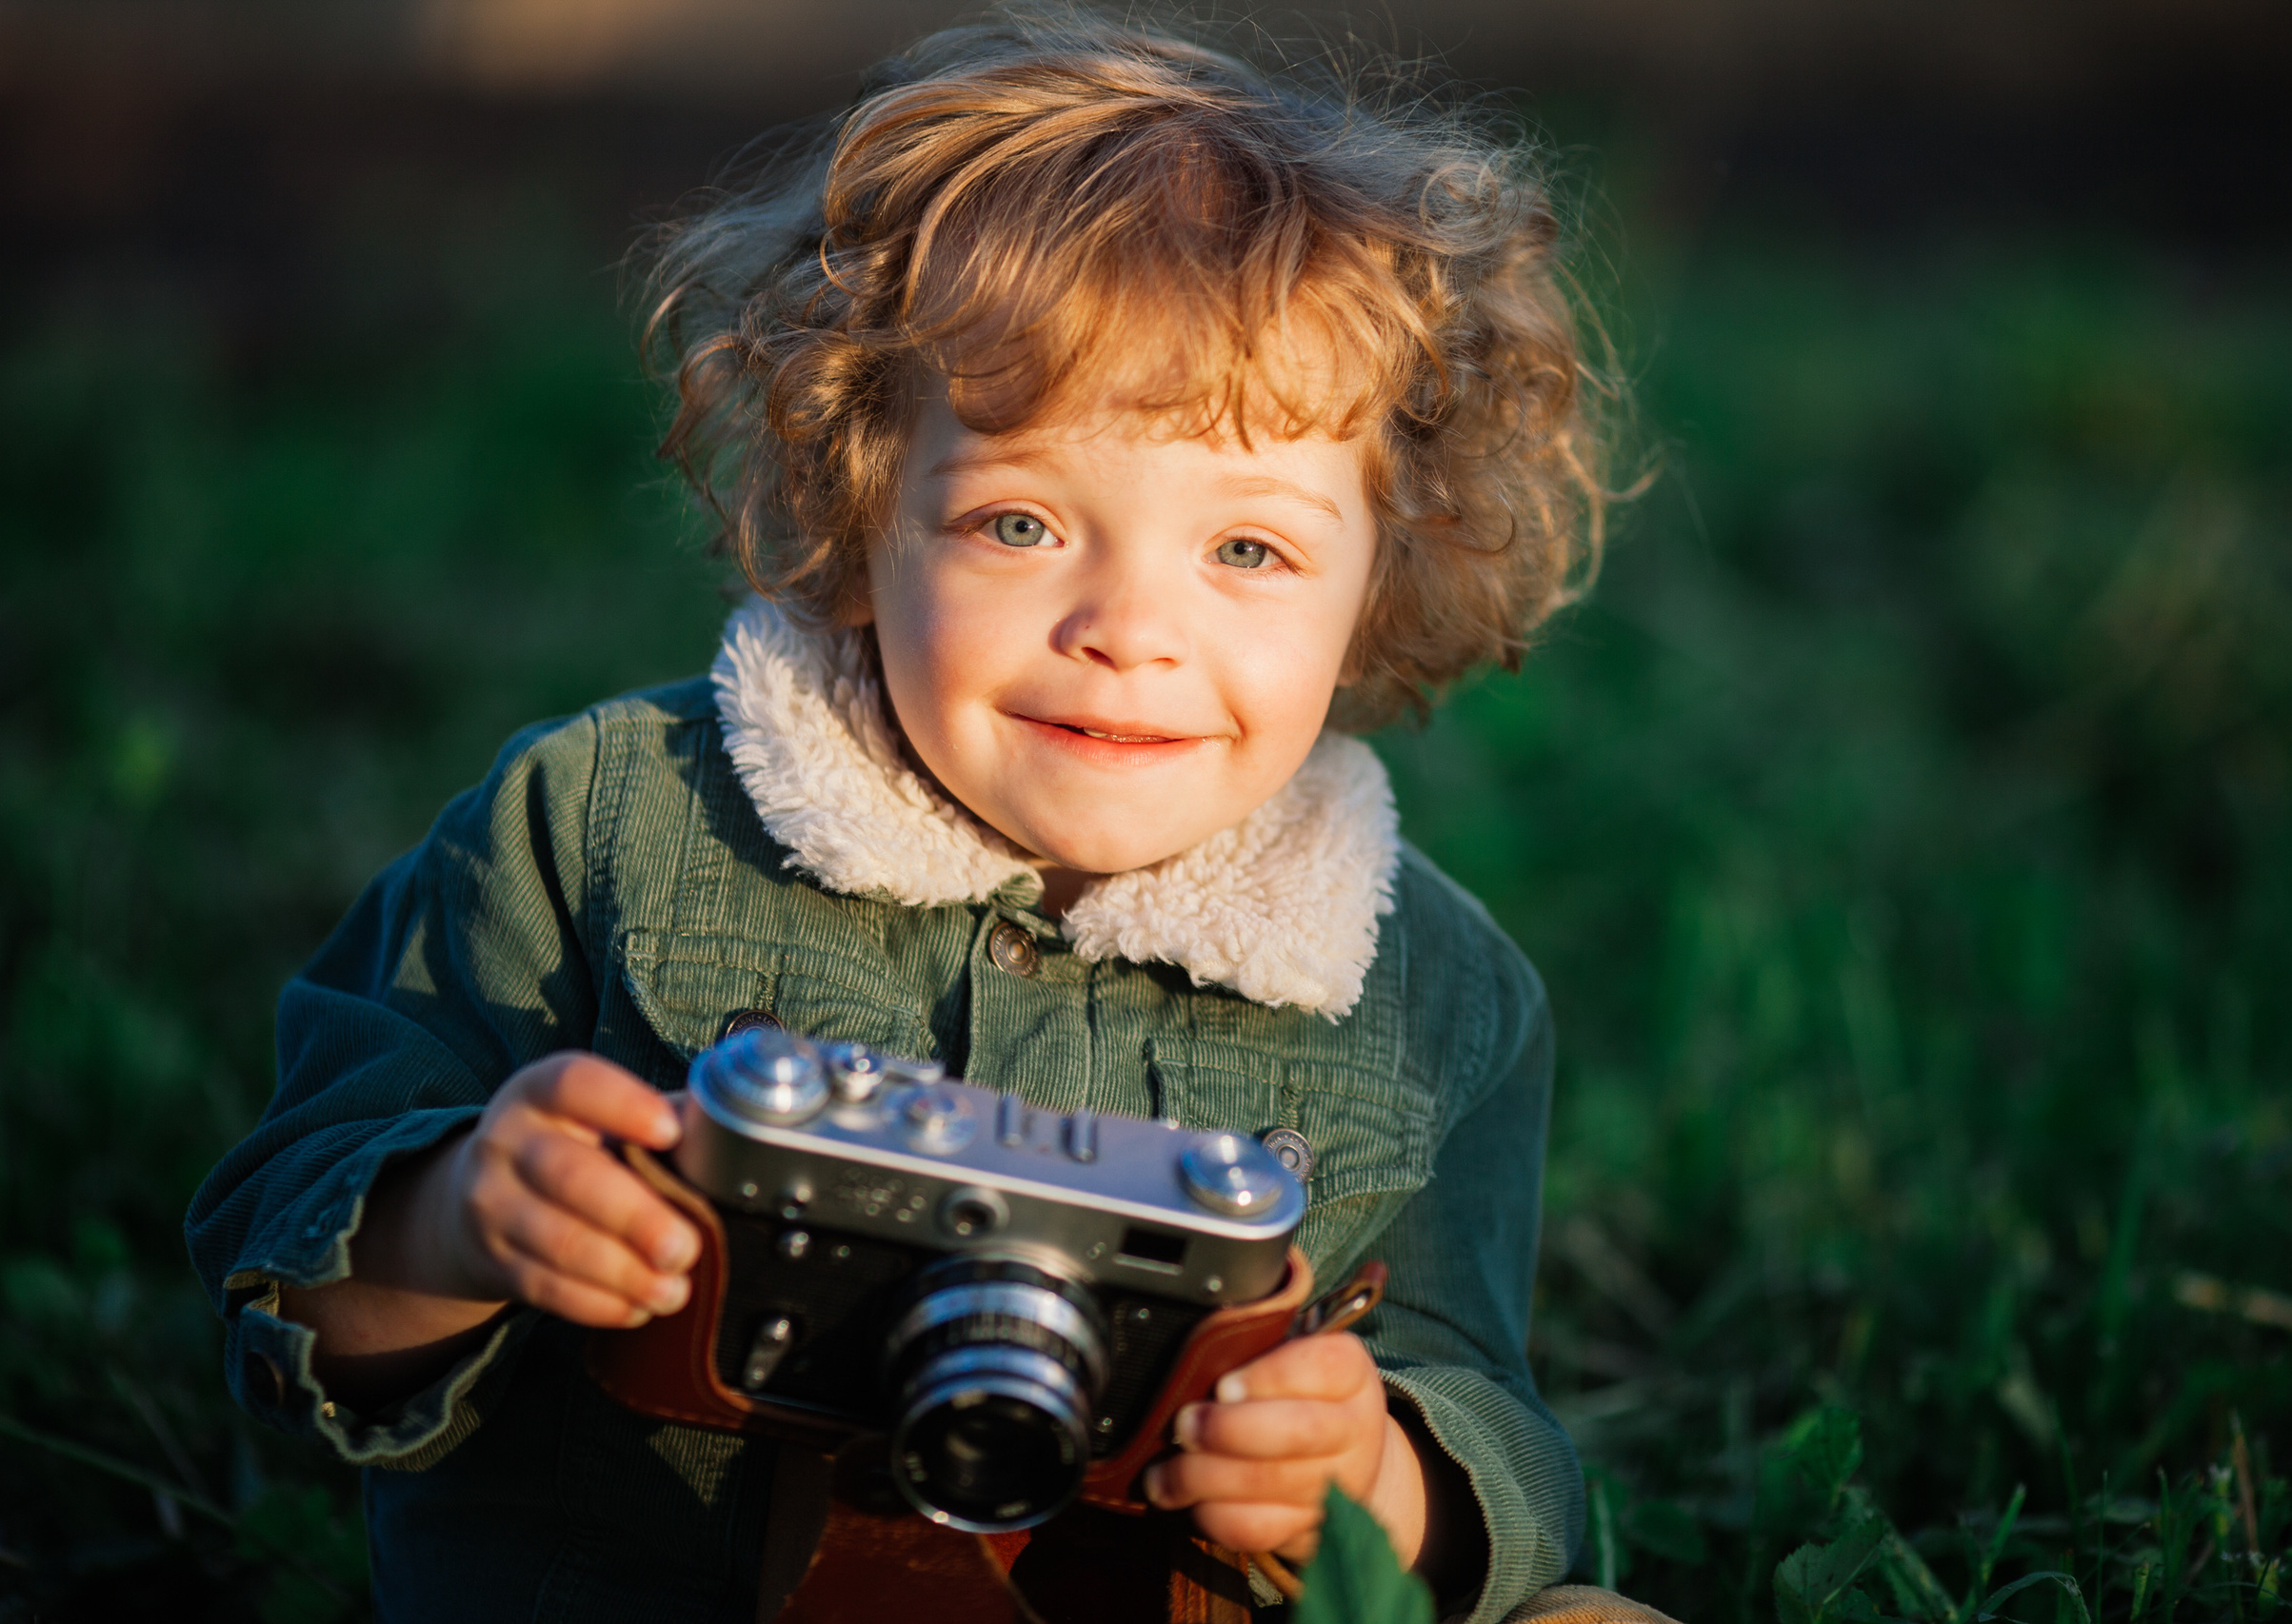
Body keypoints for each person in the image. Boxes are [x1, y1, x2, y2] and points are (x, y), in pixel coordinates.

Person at [185, 10, 1613, 1620]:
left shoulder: (1431, 993)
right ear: (860, 518)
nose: (1129, 628)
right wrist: (455, 1219)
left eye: (1250, 552)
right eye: (1019, 520)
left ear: (1375, 586)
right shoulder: (594, 830)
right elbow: (273, 1272)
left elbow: (1495, 1424)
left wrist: (1374, 1474)